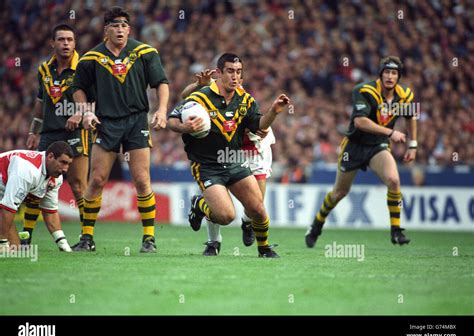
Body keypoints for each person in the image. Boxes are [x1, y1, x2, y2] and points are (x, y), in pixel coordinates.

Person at [168, 53, 290, 258]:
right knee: (226, 216)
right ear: (219, 73)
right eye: (230, 71)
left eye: (239, 72)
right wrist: (185, 127)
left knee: (257, 208)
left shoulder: (245, 100)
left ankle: (264, 249)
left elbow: (259, 125)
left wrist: (274, 112)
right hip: (207, 165)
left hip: (234, 160)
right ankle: (199, 205)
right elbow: (172, 119)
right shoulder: (201, 97)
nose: (235, 76)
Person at [70, 6, 169, 253]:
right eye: (115, 25)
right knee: (97, 179)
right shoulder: (90, 58)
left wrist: (162, 110)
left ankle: (149, 239)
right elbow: (77, 88)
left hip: (137, 121)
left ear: (129, 29)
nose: (120, 29)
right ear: (106, 29)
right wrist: (86, 111)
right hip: (106, 122)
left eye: (124, 25)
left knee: (142, 179)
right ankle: (87, 237)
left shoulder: (145, 52)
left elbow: (161, 83)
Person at [305, 56, 417, 248]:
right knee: (339, 193)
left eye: (394, 73)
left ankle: (396, 230)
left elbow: (411, 116)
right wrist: (391, 132)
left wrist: (413, 144)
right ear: (380, 74)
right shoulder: (364, 90)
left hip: (378, 146)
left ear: (399, 76)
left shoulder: (405, 95)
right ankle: (317, 223)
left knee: (394, 180)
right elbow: (360, 122)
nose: (390, 76)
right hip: (354, 146)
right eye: (387, 72)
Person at [23, 24, 91, 246]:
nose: (66, 44)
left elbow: (95, 99)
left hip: (76, 132)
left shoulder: (84, 67)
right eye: (61, 40)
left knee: (78, 184)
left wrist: (79, 115)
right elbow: (40, 104)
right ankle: (26, 235)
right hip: (49, 134)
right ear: (53, 43)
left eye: (70, 40)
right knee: (37, 183)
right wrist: (34, 130)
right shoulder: (43, 70)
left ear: (75, 43)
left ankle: (86, 237)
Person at [0, 141, 73, 252]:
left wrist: (63, 243)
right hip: (5, 201)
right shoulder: (28, 170)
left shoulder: (56, 177)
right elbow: (8, 207)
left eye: (68, 164)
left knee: (14, 249)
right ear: (50, 157)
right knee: (7, 248)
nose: (65, 169)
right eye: (63, 162)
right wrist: (2, 243)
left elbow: (50, 211)